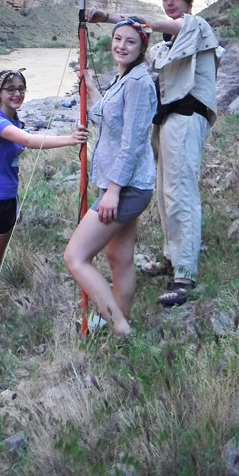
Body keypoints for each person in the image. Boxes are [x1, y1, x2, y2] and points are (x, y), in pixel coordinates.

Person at [86, 0, 224, 307]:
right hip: (167, 122)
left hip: (187, 118)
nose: (169, 2)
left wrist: (105, 16)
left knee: (181, 192)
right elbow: (140, 49)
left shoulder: (197, 25)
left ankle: (185, 274)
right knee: (165, 193)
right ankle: (171, 257)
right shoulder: (165, 47)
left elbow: (140, 24)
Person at [0, 69, 88, 338]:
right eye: (10, 89)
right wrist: (70, 139)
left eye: (21, 88)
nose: (17, 93)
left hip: (7, 200)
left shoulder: (15, 121)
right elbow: (27, 141)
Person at [63, 18, 157, 338]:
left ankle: (118, 323)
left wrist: (113, 191)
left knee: (75, 256)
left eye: (130, 41)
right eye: (117, 39)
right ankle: (121, 326)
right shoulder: (123, 78)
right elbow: (105, 116)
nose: (121, 46)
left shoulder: (139, 83)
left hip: (127, 187)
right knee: (120, 258)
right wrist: (89, 86)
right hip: (122, 184)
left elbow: (132, 143)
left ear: (142, 47)